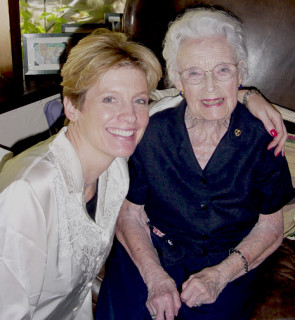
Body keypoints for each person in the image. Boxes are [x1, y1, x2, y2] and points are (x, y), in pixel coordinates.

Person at [96, 8, 294, 320]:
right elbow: (130, 214)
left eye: (223, 71)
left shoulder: (262, 138)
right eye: (195, 74)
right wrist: (155, 277)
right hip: (152, 249)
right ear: (177, 80)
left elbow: (271, 226)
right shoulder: (151, 133)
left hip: (230, 258)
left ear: (241, 74)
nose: (211, 88)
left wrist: (220, 275)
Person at [0, 29, 162, 319]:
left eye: (139, 100)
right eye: (110, 100)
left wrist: (244, 95)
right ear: (72, 106)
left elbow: (181, 97)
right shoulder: (30, 193)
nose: (131, 116)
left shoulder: (115, 169)